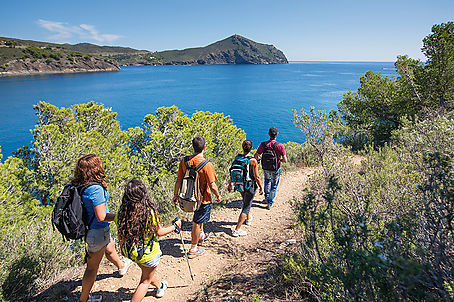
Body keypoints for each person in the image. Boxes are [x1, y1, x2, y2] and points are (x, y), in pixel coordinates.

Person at [73, 154, 132, 302]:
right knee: (92, 268)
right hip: (97, 231)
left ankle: (121, 266)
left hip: (92, 230)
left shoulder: (80, 185)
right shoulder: (95, 189)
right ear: (96, 168)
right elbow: (101, 216)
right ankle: (84, 299)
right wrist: (120, 216)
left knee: (110, 247)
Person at [116, 179, 182, 301]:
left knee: (147, 272)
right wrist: (175, 226)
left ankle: (159, 286)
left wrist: (122, 250)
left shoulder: (122, 214)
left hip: (132, 252)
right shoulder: (148, 212)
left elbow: (121, 234)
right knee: (145, 281)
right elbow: (159, 232)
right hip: (148, 254)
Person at [173, 136, 221, 258]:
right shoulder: (207, 165)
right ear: (204, 147)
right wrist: (218, 195)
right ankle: (193, 249)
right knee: (196, 223)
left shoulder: (184, 161)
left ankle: (201, 236)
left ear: (193, 147)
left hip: (188, 196)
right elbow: (212, 185)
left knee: (199, 221)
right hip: (203, 199)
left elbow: (178, 180)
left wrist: (175, 195)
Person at [228, 140, 263, 237]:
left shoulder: (237, 158)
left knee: (246, 201)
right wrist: (260, 187)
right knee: (246, 206)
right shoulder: (253, 161)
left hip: (239, 184)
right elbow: (257, 177)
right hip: (249, 185)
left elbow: (232, 171)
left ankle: (248, 219)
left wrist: (230, 184)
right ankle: (237, 230)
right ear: (251, 148)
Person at [254, 127, 287, 209]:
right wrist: (279, 159)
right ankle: (270, 203)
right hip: (275, 168)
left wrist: (259, 160)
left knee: (267, 181)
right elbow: (285, 160)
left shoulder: (263, 144)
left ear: (268, 134)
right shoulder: (280, 146)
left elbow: (256, 155)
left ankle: (266, 198)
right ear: (277, 134)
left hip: (265, 167)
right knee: (274, 185)